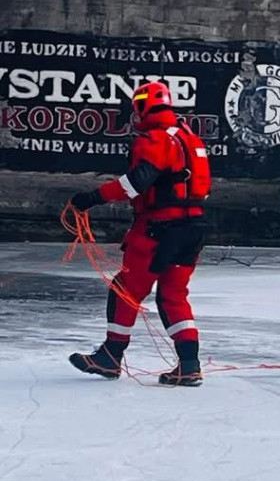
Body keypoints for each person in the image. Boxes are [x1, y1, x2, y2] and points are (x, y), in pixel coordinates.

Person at [67, 81, 211, 387]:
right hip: (194, 229)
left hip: (159, 231)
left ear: (143, 108)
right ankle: (189, 365)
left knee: (124, 289)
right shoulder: (190, 139)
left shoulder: (156, 140)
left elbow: (136, 182)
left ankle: (110, 356)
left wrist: (91, 198)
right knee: (173, 295)